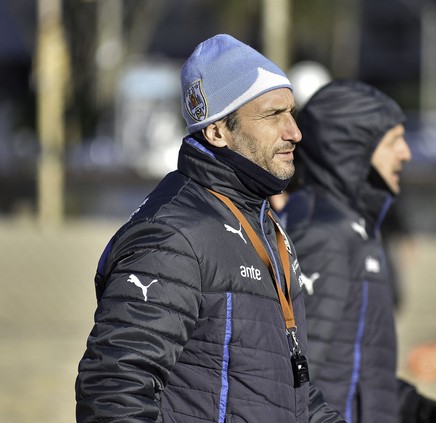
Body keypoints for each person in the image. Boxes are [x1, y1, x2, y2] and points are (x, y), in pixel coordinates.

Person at [75, 34, 345, 423]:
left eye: (292, 112)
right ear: (217, 131)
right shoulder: (173, 235)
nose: (294, 131)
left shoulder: (264, 223)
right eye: (273, 115)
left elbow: (287, 391)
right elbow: (114, 390)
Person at [281, 80, 436, 423]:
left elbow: (354, 361)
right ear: (353, 149)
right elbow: (292, 380)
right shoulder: (321, 233)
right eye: (394, 141)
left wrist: (414, 409)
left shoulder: (355, 226)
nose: (406, 153)